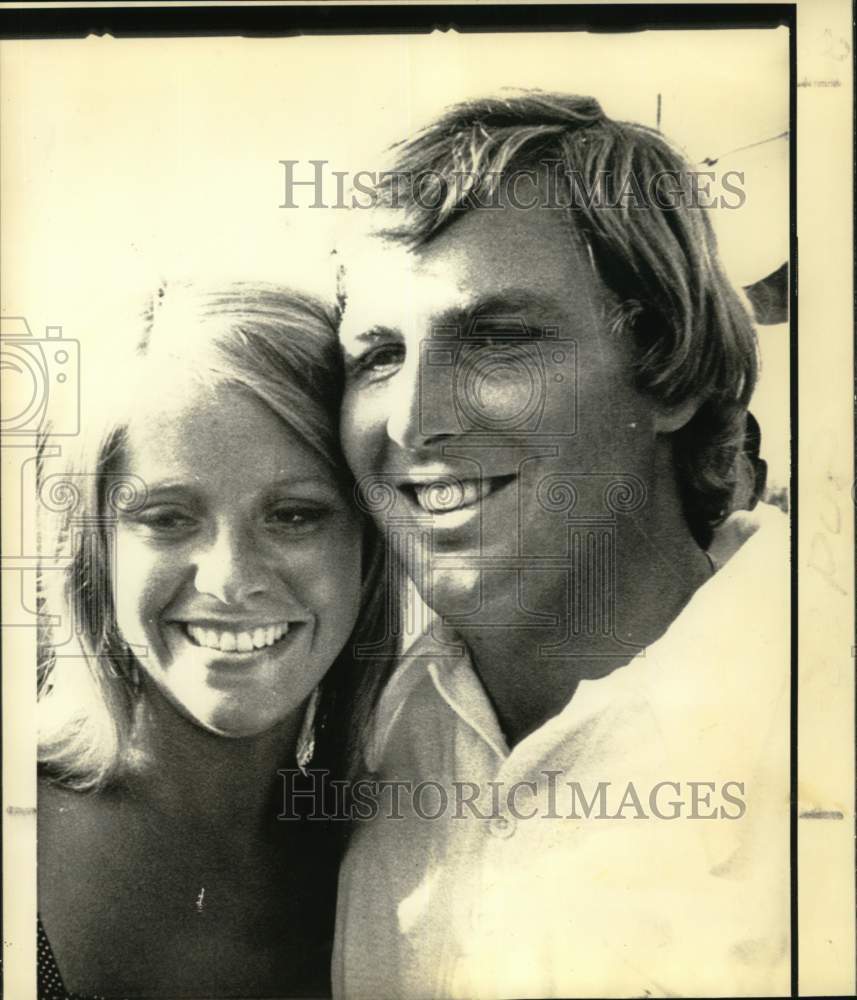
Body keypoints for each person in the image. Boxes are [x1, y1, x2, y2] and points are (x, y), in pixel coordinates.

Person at [333, 92, 789, 997]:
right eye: (378, 355)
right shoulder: (374, 733)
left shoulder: (811, 726)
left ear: (666, 371)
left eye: (498, 338)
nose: (416, 422)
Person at [36, 281, 392, 998]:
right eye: (167, 518)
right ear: (94, 551)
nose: (230, 579)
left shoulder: (396, 857)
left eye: (293, 515)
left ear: (371, 547)